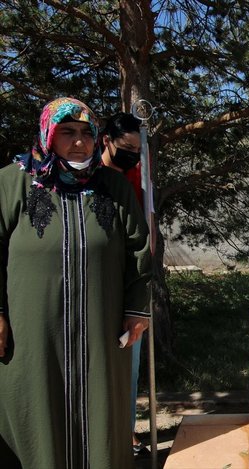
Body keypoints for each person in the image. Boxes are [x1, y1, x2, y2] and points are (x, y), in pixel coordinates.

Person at [0, 97, 151, 468]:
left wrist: (137, 309)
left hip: (99, 332)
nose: (80, 142)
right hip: (31, 333)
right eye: (67, 132)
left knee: (101, 414)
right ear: (48, 134)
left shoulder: (112, 188)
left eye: (87, 132)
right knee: (34, 409)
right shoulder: (14, 182)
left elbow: (139, 251)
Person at [101, 111, 150, 458]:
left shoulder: (135, 176)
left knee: (129, 364)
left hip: (127, 284)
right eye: (126, 147)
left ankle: (127, 431)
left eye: (137, 149)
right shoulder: (90, 176)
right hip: (98, 281)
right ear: (106, 141)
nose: (132, 155)